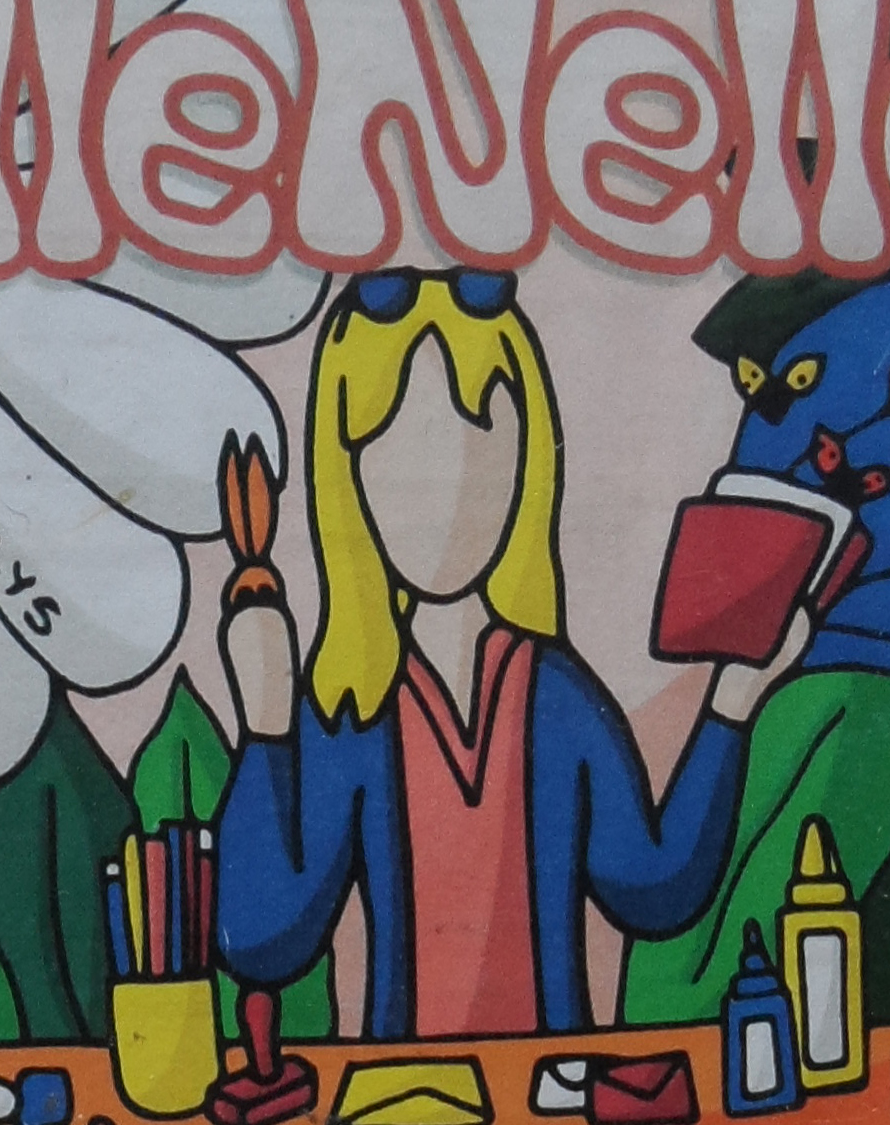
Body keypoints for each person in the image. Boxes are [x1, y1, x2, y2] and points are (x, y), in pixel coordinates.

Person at [215, 269, 806, 1039]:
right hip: (400, 1089)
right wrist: (264, 729)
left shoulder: (556, 693)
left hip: (552, 1085)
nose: (453, 488)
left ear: (527, 460)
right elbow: (263, 941)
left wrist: (733, 702)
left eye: (482, 438)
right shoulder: (353, 705)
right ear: (348, 480)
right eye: (402, 452)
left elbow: (654, 887)